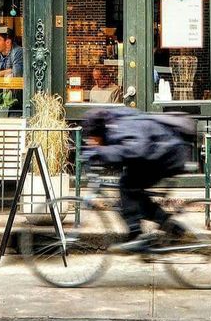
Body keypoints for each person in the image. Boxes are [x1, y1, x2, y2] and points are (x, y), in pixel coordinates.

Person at [82, 106, 191, 253]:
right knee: (131, 196)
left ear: (99, 131)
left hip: (167, 156)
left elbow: (136, 149)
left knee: (127, 186)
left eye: (93, 138)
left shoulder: (121, 126)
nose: (92, 142)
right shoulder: (115, 124)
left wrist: (100, 152)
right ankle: (171, 228)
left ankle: (136, 236)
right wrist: (100, 153)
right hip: (162, 153)